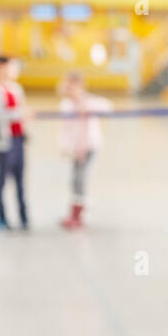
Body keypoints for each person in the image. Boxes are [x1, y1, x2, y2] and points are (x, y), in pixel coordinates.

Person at [56, 71, 113, 230]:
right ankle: (73, 213)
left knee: (80, 180)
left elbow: (108, 106)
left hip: (88, 147)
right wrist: (65, 147)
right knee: (74, 180)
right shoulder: (66, 104)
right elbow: (66, 129)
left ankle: (79, 215)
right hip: (75, 148)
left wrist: (86, 106)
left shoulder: (90, 101)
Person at [0, 55, 31, 231]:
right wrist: (19, 114)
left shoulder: (16, 88)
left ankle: (23, 216)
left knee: (20, 179)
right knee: (2, 178)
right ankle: (1, 217)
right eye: (11, 66)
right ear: (0, 67)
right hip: (2, 140)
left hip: (17, 137)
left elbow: (21, 110)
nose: (15, 70)